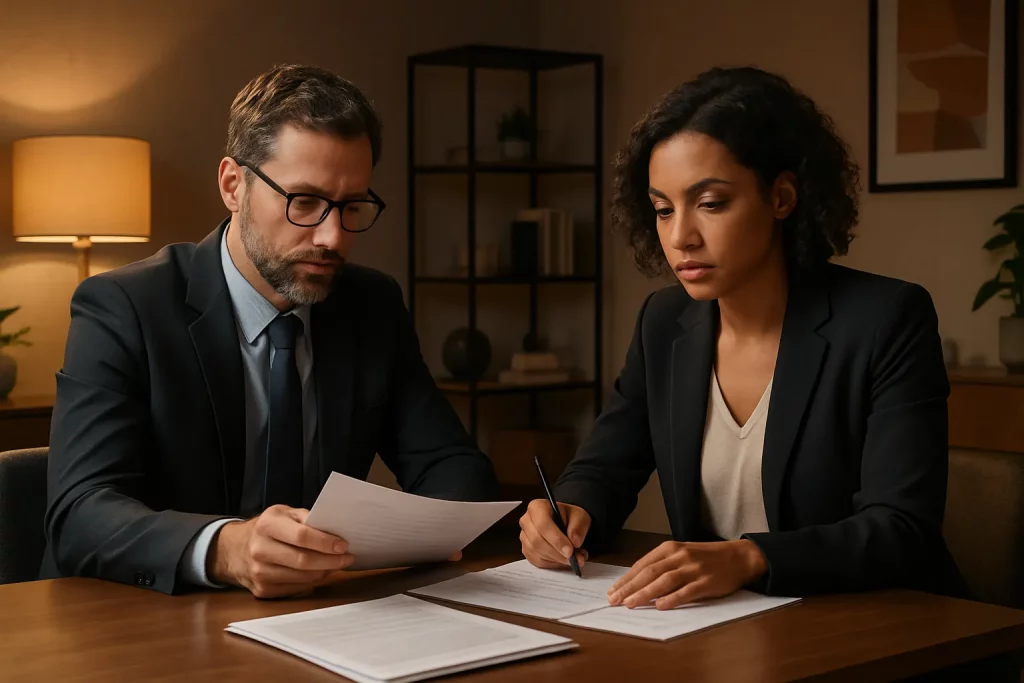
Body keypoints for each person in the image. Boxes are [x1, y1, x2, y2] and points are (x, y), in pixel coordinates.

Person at [41, 64, 498, 598]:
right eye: (304, 202)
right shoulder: (123, 307)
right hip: (140, 625)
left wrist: (417, 534)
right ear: (234, 186)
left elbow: (452, 468)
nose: (332, 237)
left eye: (352, 206)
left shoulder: (371, 303)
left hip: (321, 615)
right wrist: (228, 548)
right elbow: (80, 512)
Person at [518, 66, 967, 608]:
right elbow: (605, 465)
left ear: (781, 197)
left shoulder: (886, 319)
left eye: (710, 203)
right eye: (663, 209)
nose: (680, 235)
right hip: (722, 630)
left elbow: (902, 529)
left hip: (879, 627)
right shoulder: (663, 322)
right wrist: (569, 510)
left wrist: (752, 557)